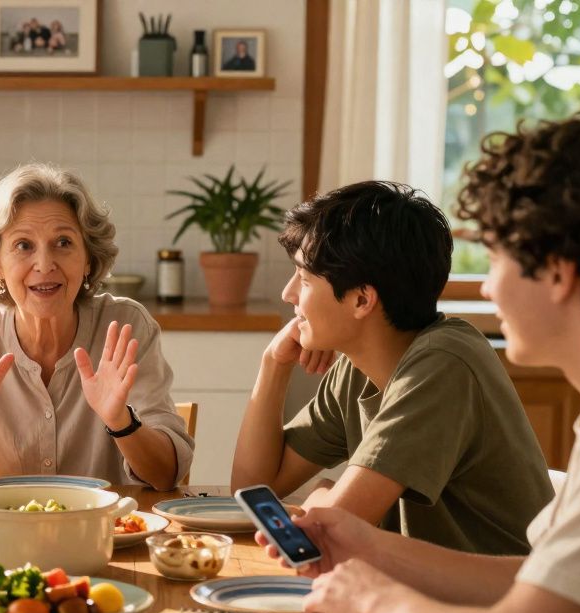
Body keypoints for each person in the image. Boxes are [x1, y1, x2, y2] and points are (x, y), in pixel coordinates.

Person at [257, 113, 580, 613]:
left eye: (500, 257)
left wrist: (372, 595)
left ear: (558, 271)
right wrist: (368, 547)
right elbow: (537, 582)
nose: (487, 288)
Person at [230, 181, 552, 554]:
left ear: (361, 300)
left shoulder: (443, 363)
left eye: (303, 279)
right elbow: (252, 491)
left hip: (498, 589)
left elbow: (328, 534)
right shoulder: (357, 369)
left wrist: (322, 494)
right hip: (412, 583)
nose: (288, 294)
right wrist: (273, 365)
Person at [0, 163, 193, 490]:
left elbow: (166, 476)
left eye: (63, 242)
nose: (44, 264)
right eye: (23, 245)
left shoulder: (125, 325)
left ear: (88, 259)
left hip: (102, 523)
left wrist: (121, 421)